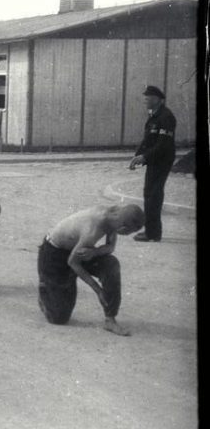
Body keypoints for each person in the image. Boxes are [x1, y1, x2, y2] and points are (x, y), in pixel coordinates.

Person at [38, 204, 145, 337]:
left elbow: (110, 248)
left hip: (80, 251)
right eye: (129, 232)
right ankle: (45, 286)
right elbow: (73, 262)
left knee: (111, 265)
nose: (126, 235)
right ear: (123, 228)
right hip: (55, 253)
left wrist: (94, 252)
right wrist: (98, 290)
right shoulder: (92, 228)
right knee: (58, 318)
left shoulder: (113, 217)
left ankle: (110, 320)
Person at [128, 85, 176, 243]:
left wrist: (144, 157)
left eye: (148, 98)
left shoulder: (165, 117)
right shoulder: (154, 115)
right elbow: (148, 139)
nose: (145, 100)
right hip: (155, 160)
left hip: (162, 160)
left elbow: (163, 145)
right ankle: (151, 231)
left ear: (157, 99)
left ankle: (153, 233)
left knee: (153, 195)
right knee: (149, 193)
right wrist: (137, 156)